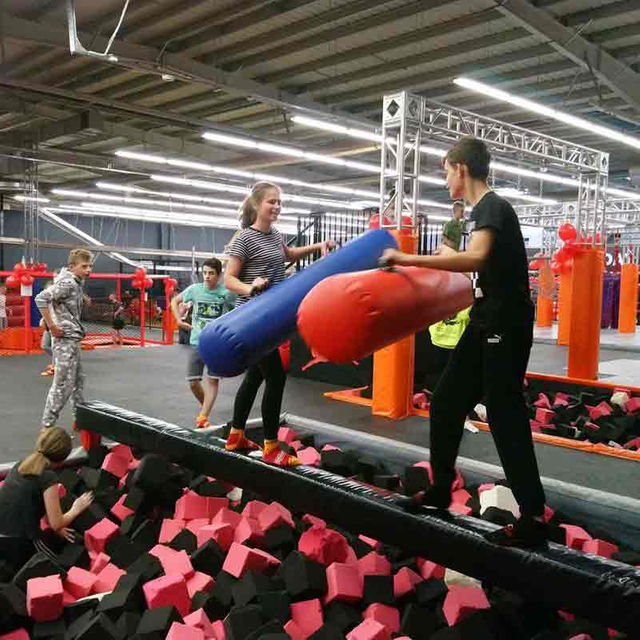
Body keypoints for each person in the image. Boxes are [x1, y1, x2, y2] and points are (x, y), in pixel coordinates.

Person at [381, 136, 547, 548]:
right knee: (447, 402)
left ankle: (532, 515)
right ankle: (440, 489)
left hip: (505, 321)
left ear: (460, 168)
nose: (445, 178)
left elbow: (475, 259)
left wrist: (408, 257)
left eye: (445, 170)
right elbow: (462, 259)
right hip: (485, 316)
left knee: (504, 413)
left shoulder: (492, 206)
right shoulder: (477, 213)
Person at [224, 182, 334, 467]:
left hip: (269, 317)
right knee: (275, 376)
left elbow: (288, 255)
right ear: (257, 204)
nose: (276, 207)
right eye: (271, 202)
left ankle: (236, 435)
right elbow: (229, 280)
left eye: (279, 202)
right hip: (251, 319)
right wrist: (251, 288)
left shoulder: (274, 235)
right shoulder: (243, 239)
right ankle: (271, 447)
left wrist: (318, 247)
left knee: (255, 377)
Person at [0, 427, 94, 572]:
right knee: (59, 571)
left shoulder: (21, 465)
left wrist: (57, 527)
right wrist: (77, 508)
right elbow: (56, 524)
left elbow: (35, 502)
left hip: (3, 533)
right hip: (17, 540)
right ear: (63, 458)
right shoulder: (48, 477)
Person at [170, 258, 235, 429]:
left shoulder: (227, 293)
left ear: (219, 275)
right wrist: (178, 320)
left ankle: (203, 416)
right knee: (193, 382)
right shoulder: (194, 290)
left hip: (216, 344)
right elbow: (174, 301)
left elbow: (238, 312)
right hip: (197, 341)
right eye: (204, 273)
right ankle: (205, 407)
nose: (207, 276)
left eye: (211, 273)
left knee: (213, 381)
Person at [36, 249, 92, 432]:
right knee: (62, 385)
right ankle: (47, 426)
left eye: (90, 266)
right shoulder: (68, 283)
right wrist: (51, 325)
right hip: (64, 339)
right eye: (84, 266)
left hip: (72, 338)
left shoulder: (75, 283)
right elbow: (41, 298)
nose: (88, 270)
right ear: (71, 266)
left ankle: (80, 420)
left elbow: (55, 303)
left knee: (78, 381)